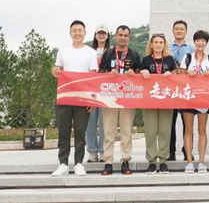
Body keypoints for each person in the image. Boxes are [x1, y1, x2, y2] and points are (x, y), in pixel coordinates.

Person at [50, 20, 98, 176]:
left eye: (80, 30)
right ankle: (63, 163)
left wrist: (92, 100)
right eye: (74, 30)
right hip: (64, 97)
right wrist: (54, 71)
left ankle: (78, 163)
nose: (77, 33)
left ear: (85, 33)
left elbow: (92, 77)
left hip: (82, 98)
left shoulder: (91, 52)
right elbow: (57, 71)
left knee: (79, 131)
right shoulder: (63, 51)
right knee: (63, 131)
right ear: (70, 33)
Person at [98, 25, 141, 176]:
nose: (123, 37)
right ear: (115, 36)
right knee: (108, 131)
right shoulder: (108, 53)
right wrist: (109, 73)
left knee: (126, 131)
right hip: (110, 97)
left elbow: (140, 76)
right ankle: (108, 161)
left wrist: (133, 74)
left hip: (128, 98)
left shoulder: (134, 54)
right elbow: (100, 73)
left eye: (126, 35)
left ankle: (125, 160)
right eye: (120, 35)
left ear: (129, 37)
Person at [140, 33, 178, 173]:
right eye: (155, 42)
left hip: (166, 100)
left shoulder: (169, 59)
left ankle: (163, 161)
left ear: (164, 44)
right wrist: (142, 72)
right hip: (149, 100)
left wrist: (172, 75)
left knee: (165, 131)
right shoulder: (145, 60)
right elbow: (138, 77)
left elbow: (177, 77)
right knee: (150, 131)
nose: (158, 44)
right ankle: (151, 161)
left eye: (160, 42)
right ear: (151, 44)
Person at [180, 30, 209, 174]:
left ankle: (201, 162)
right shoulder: (187, 57)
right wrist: (188, 72)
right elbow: (180, 74)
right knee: (188, 130)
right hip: (188, 98)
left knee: (202, 130)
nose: (200, 43)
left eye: (203, 41)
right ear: (194, 42)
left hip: (203, 99)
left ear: (206, 43)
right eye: (198, 40)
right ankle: (189, 162)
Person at [168, 20, 195, 163]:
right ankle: (170, 152)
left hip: (186, 90)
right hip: (171, 90)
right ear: (173, 31)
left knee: (188, 123)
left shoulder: (191, 49)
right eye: (176, 28)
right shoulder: (166, 48)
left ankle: (188, 151)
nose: (179, 31)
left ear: (186, 31)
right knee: (170, 123)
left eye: (182, 29)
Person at [85, 24, 109, 162]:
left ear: (107, 36)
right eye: (98, 33)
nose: (101, 35)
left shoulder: (111, 52)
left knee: (105, 123)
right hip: (91, 90)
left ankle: (103, 151)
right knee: (91, 122)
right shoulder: (88, 51)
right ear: (95, 35)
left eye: (103, 33)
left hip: (105, 91)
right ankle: (92, 151)